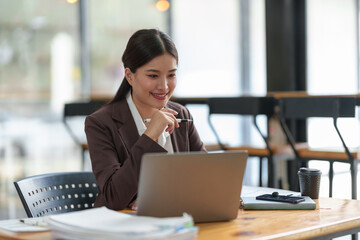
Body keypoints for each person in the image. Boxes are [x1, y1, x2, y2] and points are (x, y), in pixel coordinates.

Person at [84, 29, 206, 211]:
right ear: (129, 76)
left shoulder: (182, 115)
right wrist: (150, 136)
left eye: (171, 75)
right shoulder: (100, 123)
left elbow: (206, 178)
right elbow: (113, 198)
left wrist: (160, 198)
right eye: (153, 76)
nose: (164, 86)